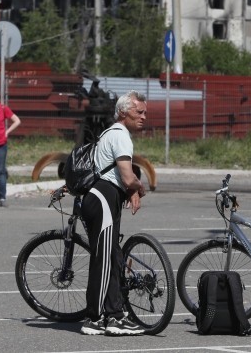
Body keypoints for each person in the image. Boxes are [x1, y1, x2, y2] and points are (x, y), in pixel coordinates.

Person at [80, 90, 148, 336]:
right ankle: (95, 318)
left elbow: (119, 176)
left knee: (112, 257)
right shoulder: (121, 135)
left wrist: (130, 190)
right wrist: (140, 188)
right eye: (138, 112)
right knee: (104, 260)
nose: (143, 117)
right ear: (123, 113)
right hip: (104, 199)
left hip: (101, 198)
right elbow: (128, 176)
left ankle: (114, 315)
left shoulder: (108, 133)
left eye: (145, 113)